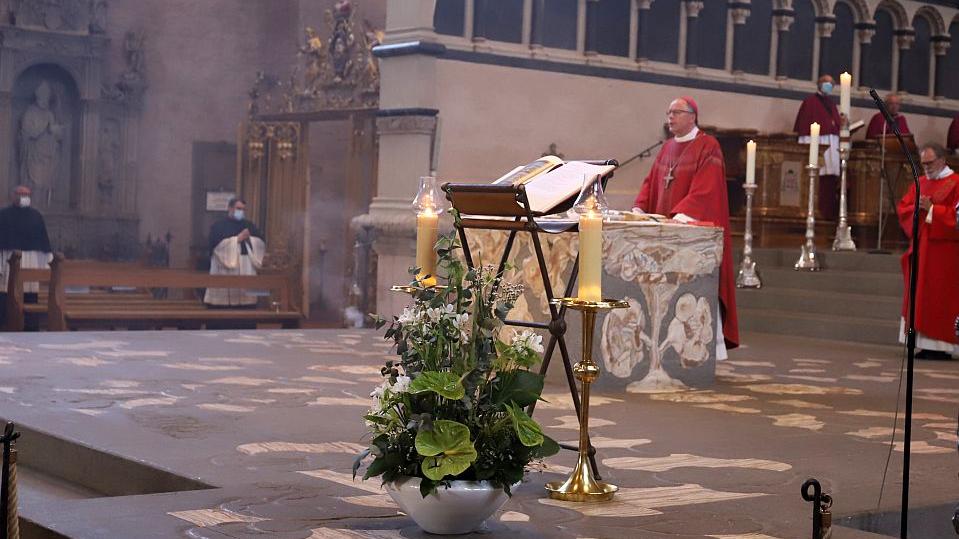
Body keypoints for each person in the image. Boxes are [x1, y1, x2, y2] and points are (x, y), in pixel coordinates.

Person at [632, 96, 739, 357]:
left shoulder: (708, 146)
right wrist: (640, 208)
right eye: (668, 112)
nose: (670, 117)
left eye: (676, 112)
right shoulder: (667, 147)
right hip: (663, 233)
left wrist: (682, 215)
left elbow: (708, 188)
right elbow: (651, 182)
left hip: (690, 235)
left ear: (692, 116)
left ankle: (698, 350)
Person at [896, 142, 959, 359]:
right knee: (919, 296)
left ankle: (941, 347)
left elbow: (957, 218)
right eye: (923, 164)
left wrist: (933, 210)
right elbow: (904, 208)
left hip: (946, 254)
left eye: (930, 163)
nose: (926, 168)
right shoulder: (919, 183)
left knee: (939, 298)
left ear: (942, 160)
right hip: (922, 250)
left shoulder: (955, 183)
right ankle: (923, 343)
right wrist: (918, 209)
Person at [0, 185, 53, 330]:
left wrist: (46, 264)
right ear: (14, 195)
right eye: (20, 194)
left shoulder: (36, 216)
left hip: (31, 260)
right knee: (5, 293)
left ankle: (31, 326)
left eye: (26, 194)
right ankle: (4, 325)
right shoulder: (3, 215)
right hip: (7, 260)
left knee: (30, 294)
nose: (23, 197)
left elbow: (43, 242)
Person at [793, 75, 842, 218]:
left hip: (832, 145)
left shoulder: (832, 104)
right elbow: (804, 127)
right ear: (819, 84)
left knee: (828, 180)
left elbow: (835, 124)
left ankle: (827, 215)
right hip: (815, 142)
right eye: (826, 83)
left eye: (831, 84)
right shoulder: (810, 103)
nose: (828, 86)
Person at [204, 197, 266, 308]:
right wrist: (237, 239)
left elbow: (260, 242)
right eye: (238, 208)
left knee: (246, 301)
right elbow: (216, 247)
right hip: (225, 268)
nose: (240, 212)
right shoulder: (219, 226)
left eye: (243, 209)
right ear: (230, 208)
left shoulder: (249, 225)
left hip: (246, 265)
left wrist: (249, 239)